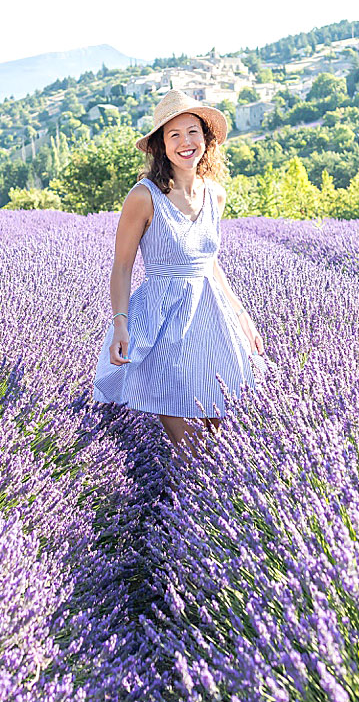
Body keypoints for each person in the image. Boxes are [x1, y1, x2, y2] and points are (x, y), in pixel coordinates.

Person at [93, 90, 265, 449]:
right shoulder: (144, 196)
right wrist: (119, 322)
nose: (185, 143)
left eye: (193, 133)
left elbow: (210, 263)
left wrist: (242, 315)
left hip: (212, 320)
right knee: (190, 448)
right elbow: (122, 266)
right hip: (163, 323)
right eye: (174, 135)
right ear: (160, 146)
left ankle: (205, 504)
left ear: (206, 140)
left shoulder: (214, 194)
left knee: (221, 438)